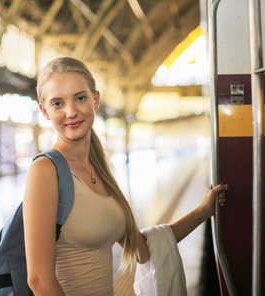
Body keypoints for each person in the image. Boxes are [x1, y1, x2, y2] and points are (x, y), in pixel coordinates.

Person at [22, 57, 227, 296]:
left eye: (80, 98)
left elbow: (145, 248)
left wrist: (204, 210)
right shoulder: (45, 171)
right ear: (44, 111)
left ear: (95, 99)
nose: (71, 112)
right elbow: (39, 280)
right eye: (57, 103)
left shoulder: (99, 172)